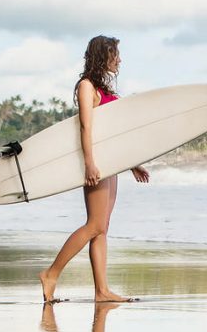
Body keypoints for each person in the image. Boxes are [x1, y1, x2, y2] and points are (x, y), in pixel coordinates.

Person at [38, 35, 149, 303]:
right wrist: (89, 162)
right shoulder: (86, 87)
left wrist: (132, 163)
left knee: (102, 228)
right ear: (103, 55)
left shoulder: (104, 89)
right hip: (96, 164)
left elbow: (112, 133)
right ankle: (51, 274)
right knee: (94, 225)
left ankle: (101, 291)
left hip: (111, 164)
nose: (119, 59)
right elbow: (85, 127)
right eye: (115, 54)